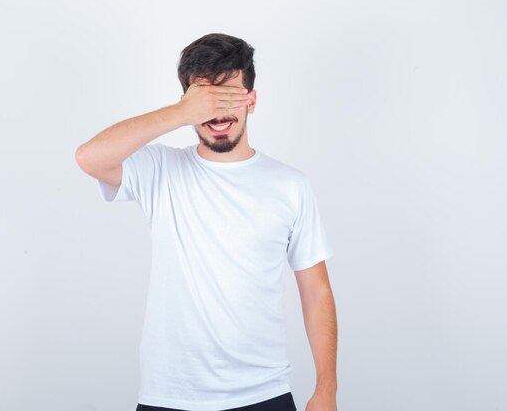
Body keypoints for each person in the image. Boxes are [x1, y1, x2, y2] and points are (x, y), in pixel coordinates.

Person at [75, 33, 338, 411]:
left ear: (252, 100)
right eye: (205, 99)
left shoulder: (290, 186)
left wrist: (326, 389)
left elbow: (317, 293)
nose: (217, 112)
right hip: (170, 395)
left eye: (229, 96)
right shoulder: (160, 169)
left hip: (263, 393)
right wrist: (182, 111)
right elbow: (90, 158)